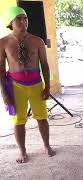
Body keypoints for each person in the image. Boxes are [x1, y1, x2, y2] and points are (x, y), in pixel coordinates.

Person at [0, 7, 55, 163]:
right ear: (11, 22)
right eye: (19, 18)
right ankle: (22, 151)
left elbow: (44, 64)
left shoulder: (37, 41)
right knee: (19, 121)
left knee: (42, 118)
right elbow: (1, 69)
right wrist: (4, 93)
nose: (23, 21)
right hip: (16, 86)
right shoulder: (3, 42)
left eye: (25, 18)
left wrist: (47, 86)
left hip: (36, 84)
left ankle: (46, 145)